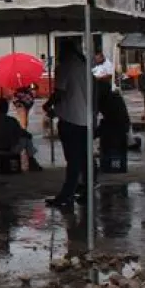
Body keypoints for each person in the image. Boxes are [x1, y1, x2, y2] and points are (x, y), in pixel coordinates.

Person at [45, 42, 91, 210]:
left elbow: (60, 93)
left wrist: (48, 105)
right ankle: (86, 189)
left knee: (73, 160)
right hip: (85, 119)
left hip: (71, 120)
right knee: (84, 159)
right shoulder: (84, 66)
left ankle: (67, 195)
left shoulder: (64, 67)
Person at [0, 97, 42, 171]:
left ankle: (31, 162)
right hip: (10, 149)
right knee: (27, 139)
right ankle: (31, 161)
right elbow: (22, 133)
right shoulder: (11, 120)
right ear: (7, 108)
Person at [95, 86, 131, 157]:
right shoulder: (114, 97)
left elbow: (108, 122)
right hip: (121, 130)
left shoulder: (106, 99)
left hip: (115, 132)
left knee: (112, 157)